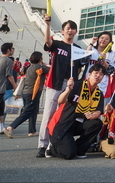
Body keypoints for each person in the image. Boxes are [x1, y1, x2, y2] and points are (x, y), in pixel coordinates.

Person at [37, 17, 80, 158]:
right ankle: (43, 145)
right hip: (55, 83)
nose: (70, 31)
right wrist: (47, 25)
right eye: (68, 28)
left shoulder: (78, 49)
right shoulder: (57, 44)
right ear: (62, 31)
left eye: (73, 28)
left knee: (62, 116)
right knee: (48, 115)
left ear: (76, 32)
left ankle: (53, 145)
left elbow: (79, 68)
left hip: (70, 84)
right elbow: (47, 42)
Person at [47, 65, 105, 160]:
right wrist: (68, 89)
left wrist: (92, 115)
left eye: (101, 74)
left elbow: (98, 111)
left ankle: (79, 150)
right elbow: (60, 100)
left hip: (76, 124)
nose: (98, 76)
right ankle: (52, 148)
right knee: (68, 154)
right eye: (96, 73)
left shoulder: (99, 93)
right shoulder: (77, 85)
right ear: (89, 74)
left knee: (96, 123)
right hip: (61, 125)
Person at [5, 52, 49, 137]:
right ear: (40, 58)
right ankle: (11, 127)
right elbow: (51, 70)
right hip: (32, 93)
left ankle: (32, 131)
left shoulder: (30, 67)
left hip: (26, 92)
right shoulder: (39, 67)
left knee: (33, 111)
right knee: (28, 112)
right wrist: (46, 64)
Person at [84, 31, 115, 98]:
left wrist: (104, 61)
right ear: (98, 39)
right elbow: (83, 60)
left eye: (106, 39)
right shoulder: (92, 50)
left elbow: (110, 71)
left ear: (110, 42)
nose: (103, 40)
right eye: (102, 38)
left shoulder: (111, 54)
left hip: (103, 85)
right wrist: (91, 43)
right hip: (88, 81)